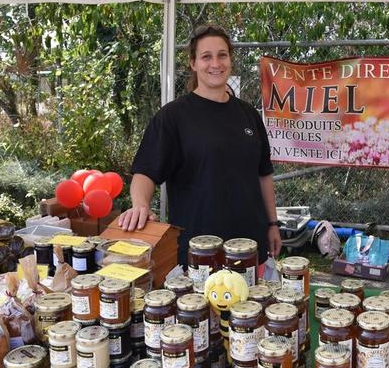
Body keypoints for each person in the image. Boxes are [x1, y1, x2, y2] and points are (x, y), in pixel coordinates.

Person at [117, 25, 282, 265]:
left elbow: (263, 174)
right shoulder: (173, 117)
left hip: (250, 245)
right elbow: (145, 172)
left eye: (222, 55)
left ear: (230, 59)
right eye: (206, 56)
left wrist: (272, 224)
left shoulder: (249, 115)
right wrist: (140, 206)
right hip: (199, 250)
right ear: (193, 63)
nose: (215, 63)